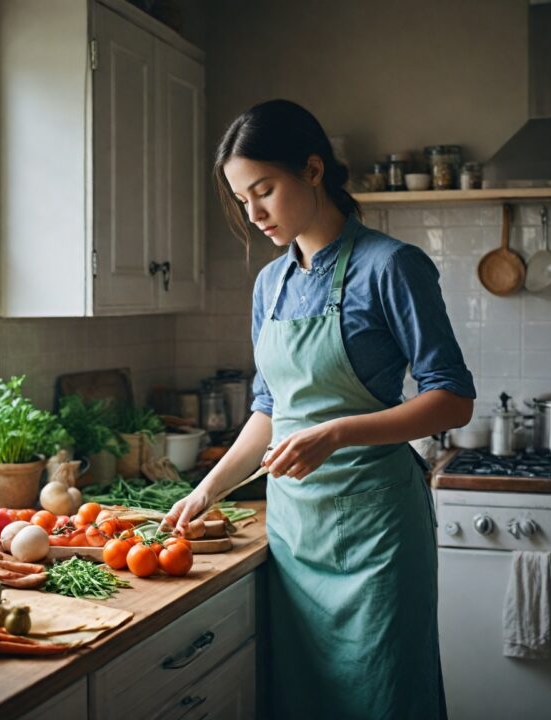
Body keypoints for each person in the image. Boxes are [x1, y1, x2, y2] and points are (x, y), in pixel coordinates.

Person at [161, 99, 476, 719]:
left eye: (264, 191)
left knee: (384, 695)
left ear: (312, 170)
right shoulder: (269, 284)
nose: (253, 215)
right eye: (241, 200)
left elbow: (453, 398)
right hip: (295, 532)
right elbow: (270, 408)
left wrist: (335, 434)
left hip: (376, 535)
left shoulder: (391, 267)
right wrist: (208, 490)